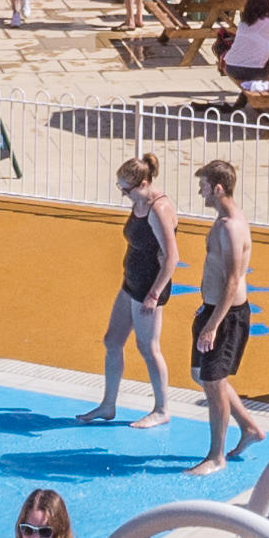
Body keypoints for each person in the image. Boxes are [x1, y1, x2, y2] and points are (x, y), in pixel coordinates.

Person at [188, 157, 258, 465]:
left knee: (214, 384)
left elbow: (232, 280)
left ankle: (216, 456)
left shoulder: (231, 227)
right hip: (213, 309)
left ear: (217, 188)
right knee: (199, 374)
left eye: (203, 186)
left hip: (226, 316)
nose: (200, 192)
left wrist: (213, 324)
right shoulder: (223, 221)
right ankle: (249, 427)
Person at [97, 153, 172, 422]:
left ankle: (162, 410)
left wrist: (153, 295)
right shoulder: (138, 201)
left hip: (149, 289)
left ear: (143, 183)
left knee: (149, 349)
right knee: (112, 341)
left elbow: (172, 257)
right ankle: (108, 405)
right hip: (131, 282)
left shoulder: (158, 209)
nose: (123, 194)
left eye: (126, 190)